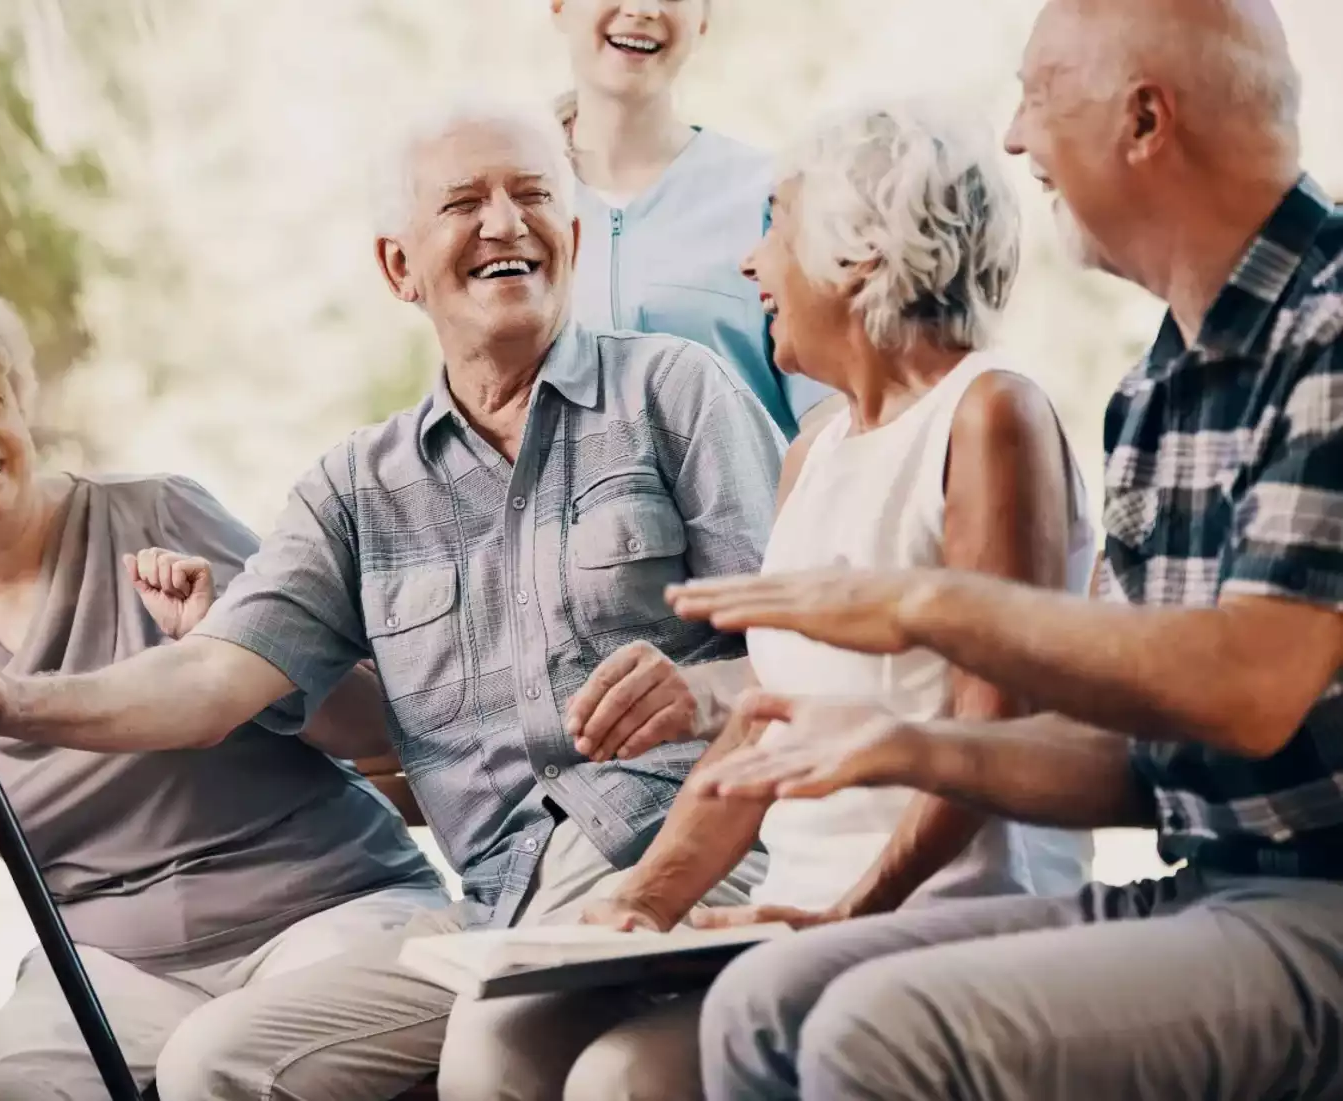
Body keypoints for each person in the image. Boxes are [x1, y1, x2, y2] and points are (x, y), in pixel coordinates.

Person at [0, 99, 788, 1101]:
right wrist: (17, 699)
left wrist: (703, 695)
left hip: (673, 846)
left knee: (499, 1055)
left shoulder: (675, 392)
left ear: (572, 240)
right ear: (400, 268)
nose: (505, 223)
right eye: (464, 203)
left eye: (532, 197)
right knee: (214, 1061)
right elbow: (211, 679)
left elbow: (803, 652)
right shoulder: (359, 486)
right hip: (493, 904)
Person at [669, 1, 1343, 1098]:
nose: (1017, 138)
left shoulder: (1329, 329)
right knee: (764, 1001)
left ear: (1143, 119)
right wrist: (902, 745)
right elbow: (1129, 763)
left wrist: (926, 607)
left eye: (1038, 92)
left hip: (1321, 900)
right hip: (1205, 883)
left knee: (877, 1033)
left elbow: (1253, 686)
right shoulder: (1158, 389)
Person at [518, 100, 1092, 1101]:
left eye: (771, 226)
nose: (750, 268)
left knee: (624, 1081)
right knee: (542, 1052)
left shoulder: (991, 413)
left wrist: (844, 919)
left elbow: (985, 738)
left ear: (859, 254)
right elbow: (759, 731)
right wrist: (640, 905)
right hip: (810, 919)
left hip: (958, 916)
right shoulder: (813, 451)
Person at [0, 275, 446, 1101]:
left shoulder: (161, 517)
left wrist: (220, 640)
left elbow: (373, 725)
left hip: (323, 912)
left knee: (218, 1064)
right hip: (121, 978)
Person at [553, 0, 834, 437]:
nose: (643, 9)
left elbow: (828, 417)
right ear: (558, 6)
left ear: (703, 20)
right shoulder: (513, 206)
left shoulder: (773, 196)